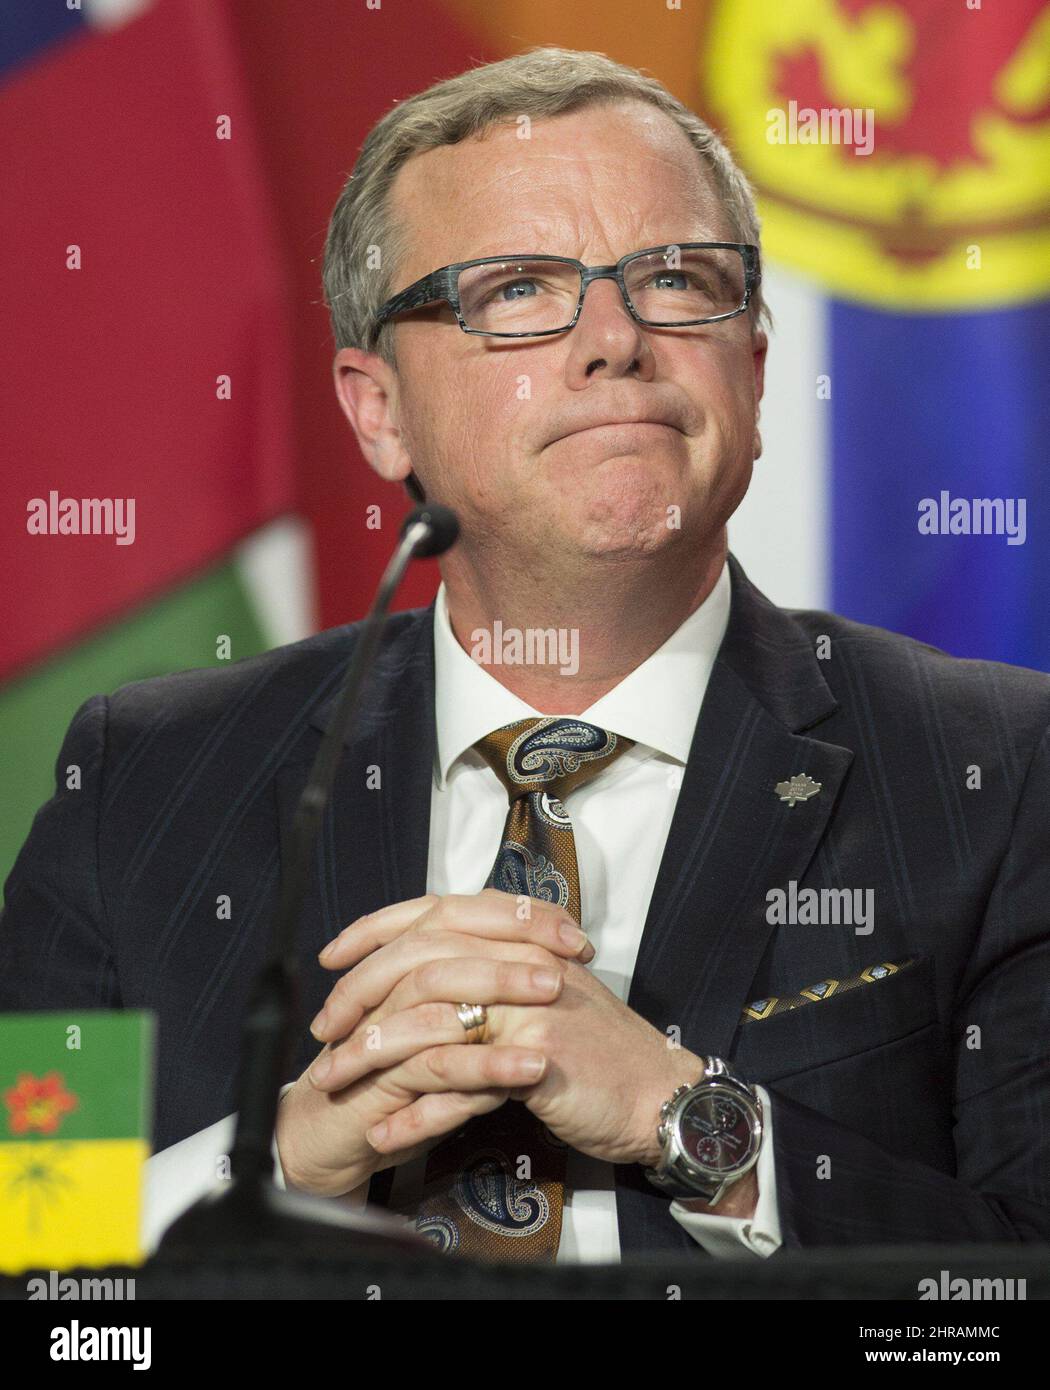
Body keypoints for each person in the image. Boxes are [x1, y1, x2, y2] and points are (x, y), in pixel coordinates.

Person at [4, 47, 1050, 1264]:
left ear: (754, 369)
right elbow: (30, 1243)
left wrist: (690, 1120)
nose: (615, 339)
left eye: (675, 278)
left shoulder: (1001, 771)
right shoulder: (140, 780)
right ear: (377, 409)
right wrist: (286, 1151)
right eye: (515, 290)